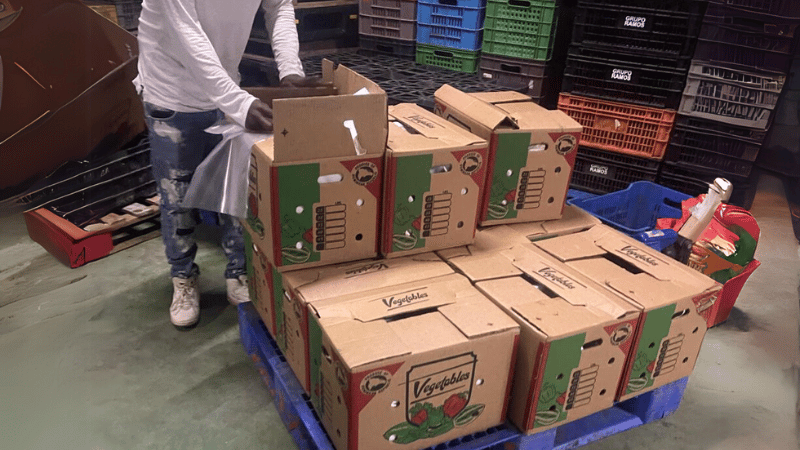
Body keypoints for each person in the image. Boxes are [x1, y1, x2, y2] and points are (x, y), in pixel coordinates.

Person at [135, 0, 317, 327]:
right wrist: (239, 103)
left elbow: (279, 6)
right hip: (172, 94)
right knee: (177, 198)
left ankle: (238, 271)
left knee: (235, 190)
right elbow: (187, 34)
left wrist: (290, 69)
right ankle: (183, 276)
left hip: (225, 89)